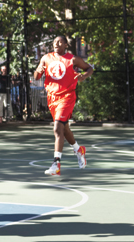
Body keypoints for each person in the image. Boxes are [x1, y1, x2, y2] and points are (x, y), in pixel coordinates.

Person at [34, 36, 92, 176]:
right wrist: (39, 70)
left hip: (67, 96)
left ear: (66, 45)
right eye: (54, 42)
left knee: (57, 128)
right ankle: (79, 150)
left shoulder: (72, 59)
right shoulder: (46, 58)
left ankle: (56, 163)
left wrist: (83, 76)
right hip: (52, 98)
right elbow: (36, 77)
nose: (56, 44)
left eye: (59, 42)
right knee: (64, 129)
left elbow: (89, 68)